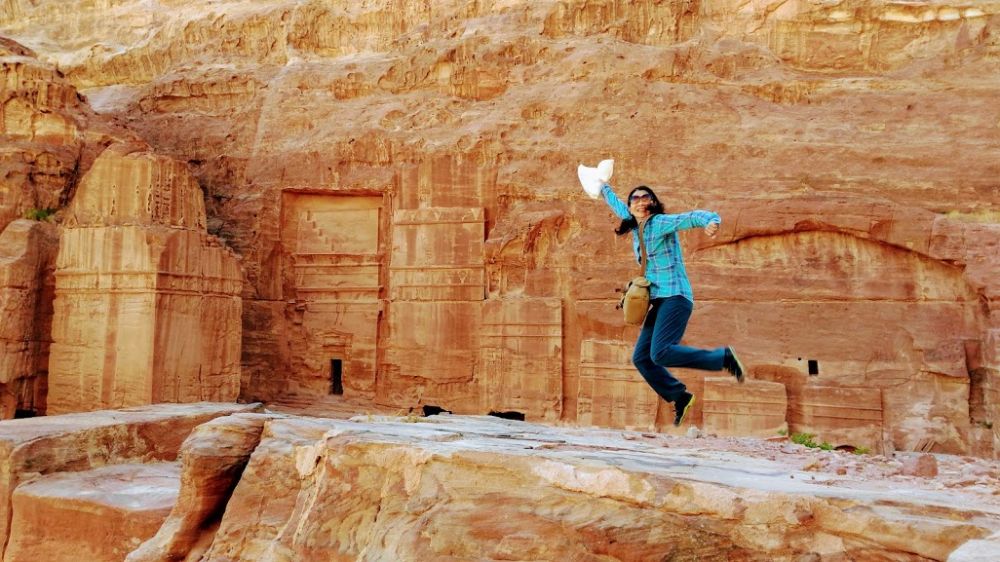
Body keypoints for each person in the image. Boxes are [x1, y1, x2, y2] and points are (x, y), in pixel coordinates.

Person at [596, 182, 746, 427]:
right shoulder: (635, 224)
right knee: (642, 358)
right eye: (635, 198)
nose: (640, 200)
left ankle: (722, 358)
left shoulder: (660, 223)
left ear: (653, 202)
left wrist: (711, 221)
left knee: (661, 353)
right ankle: (680, 396)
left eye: (645, 197)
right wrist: (603, 187)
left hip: (676, 296)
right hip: (658, 300)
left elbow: (690, 218)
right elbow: (618, 207)